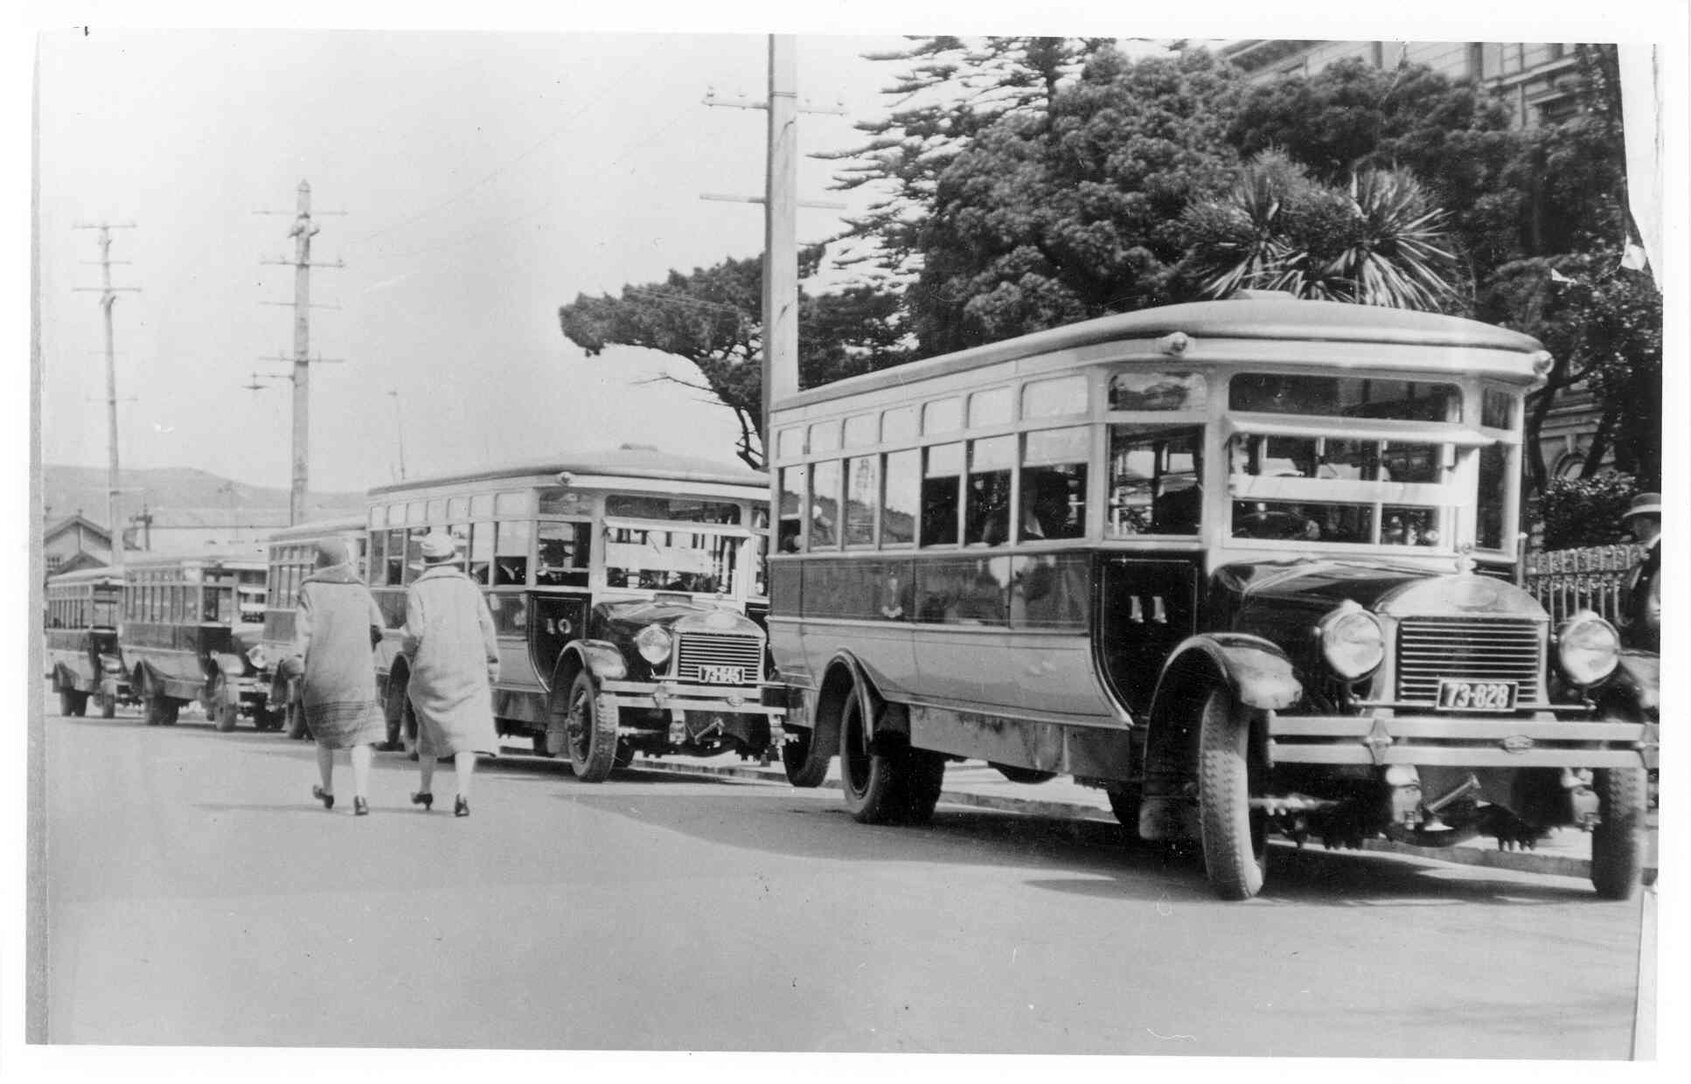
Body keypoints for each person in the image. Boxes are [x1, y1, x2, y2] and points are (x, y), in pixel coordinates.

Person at [402, 531, 501, 817]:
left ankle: (425, 789)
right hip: (469, 668)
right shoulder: (470, 587)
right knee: (465, 733)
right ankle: (462, 795)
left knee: (428, 728)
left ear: (426, 561)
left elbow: (414, 633)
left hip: (431, 668)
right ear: (452, 558)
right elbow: (486, 628)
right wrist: (492, 664)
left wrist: (411, 654)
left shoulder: (418, 589)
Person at [295, 538, 387, 816]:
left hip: (321, 675)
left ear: (319, 561)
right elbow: (378, 627)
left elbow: (302, 632)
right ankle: (361, 797)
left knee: (324, 736)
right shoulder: (360, 588)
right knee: (361, 737)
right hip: (357, 676)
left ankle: (328, 789)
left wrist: (296, 660)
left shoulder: (310, 589)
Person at [1620, 492, 1661, 652]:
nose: (1633, 527)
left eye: (1635, 521)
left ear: (1647, 522)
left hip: (1655, 640)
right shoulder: (1652, 550)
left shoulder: (1661, 551)